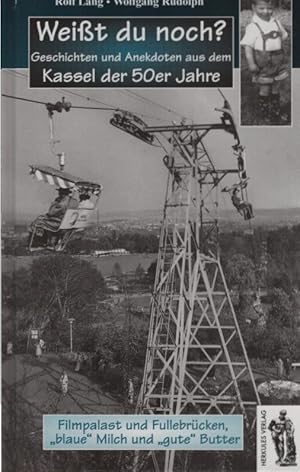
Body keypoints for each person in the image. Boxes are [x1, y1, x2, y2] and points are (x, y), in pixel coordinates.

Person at [241, 0, 289, 124]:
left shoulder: (276, 22)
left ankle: (275, 111)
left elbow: (283, 36)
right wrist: (251, 63)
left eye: (269, 8)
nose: (266, 12)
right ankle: (265, 113)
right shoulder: (253, 26)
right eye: (261, 8)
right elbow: (248, 46)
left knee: (276, 88)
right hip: (263, 63)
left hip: (278, 61)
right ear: (253, 7)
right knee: (265, 88)